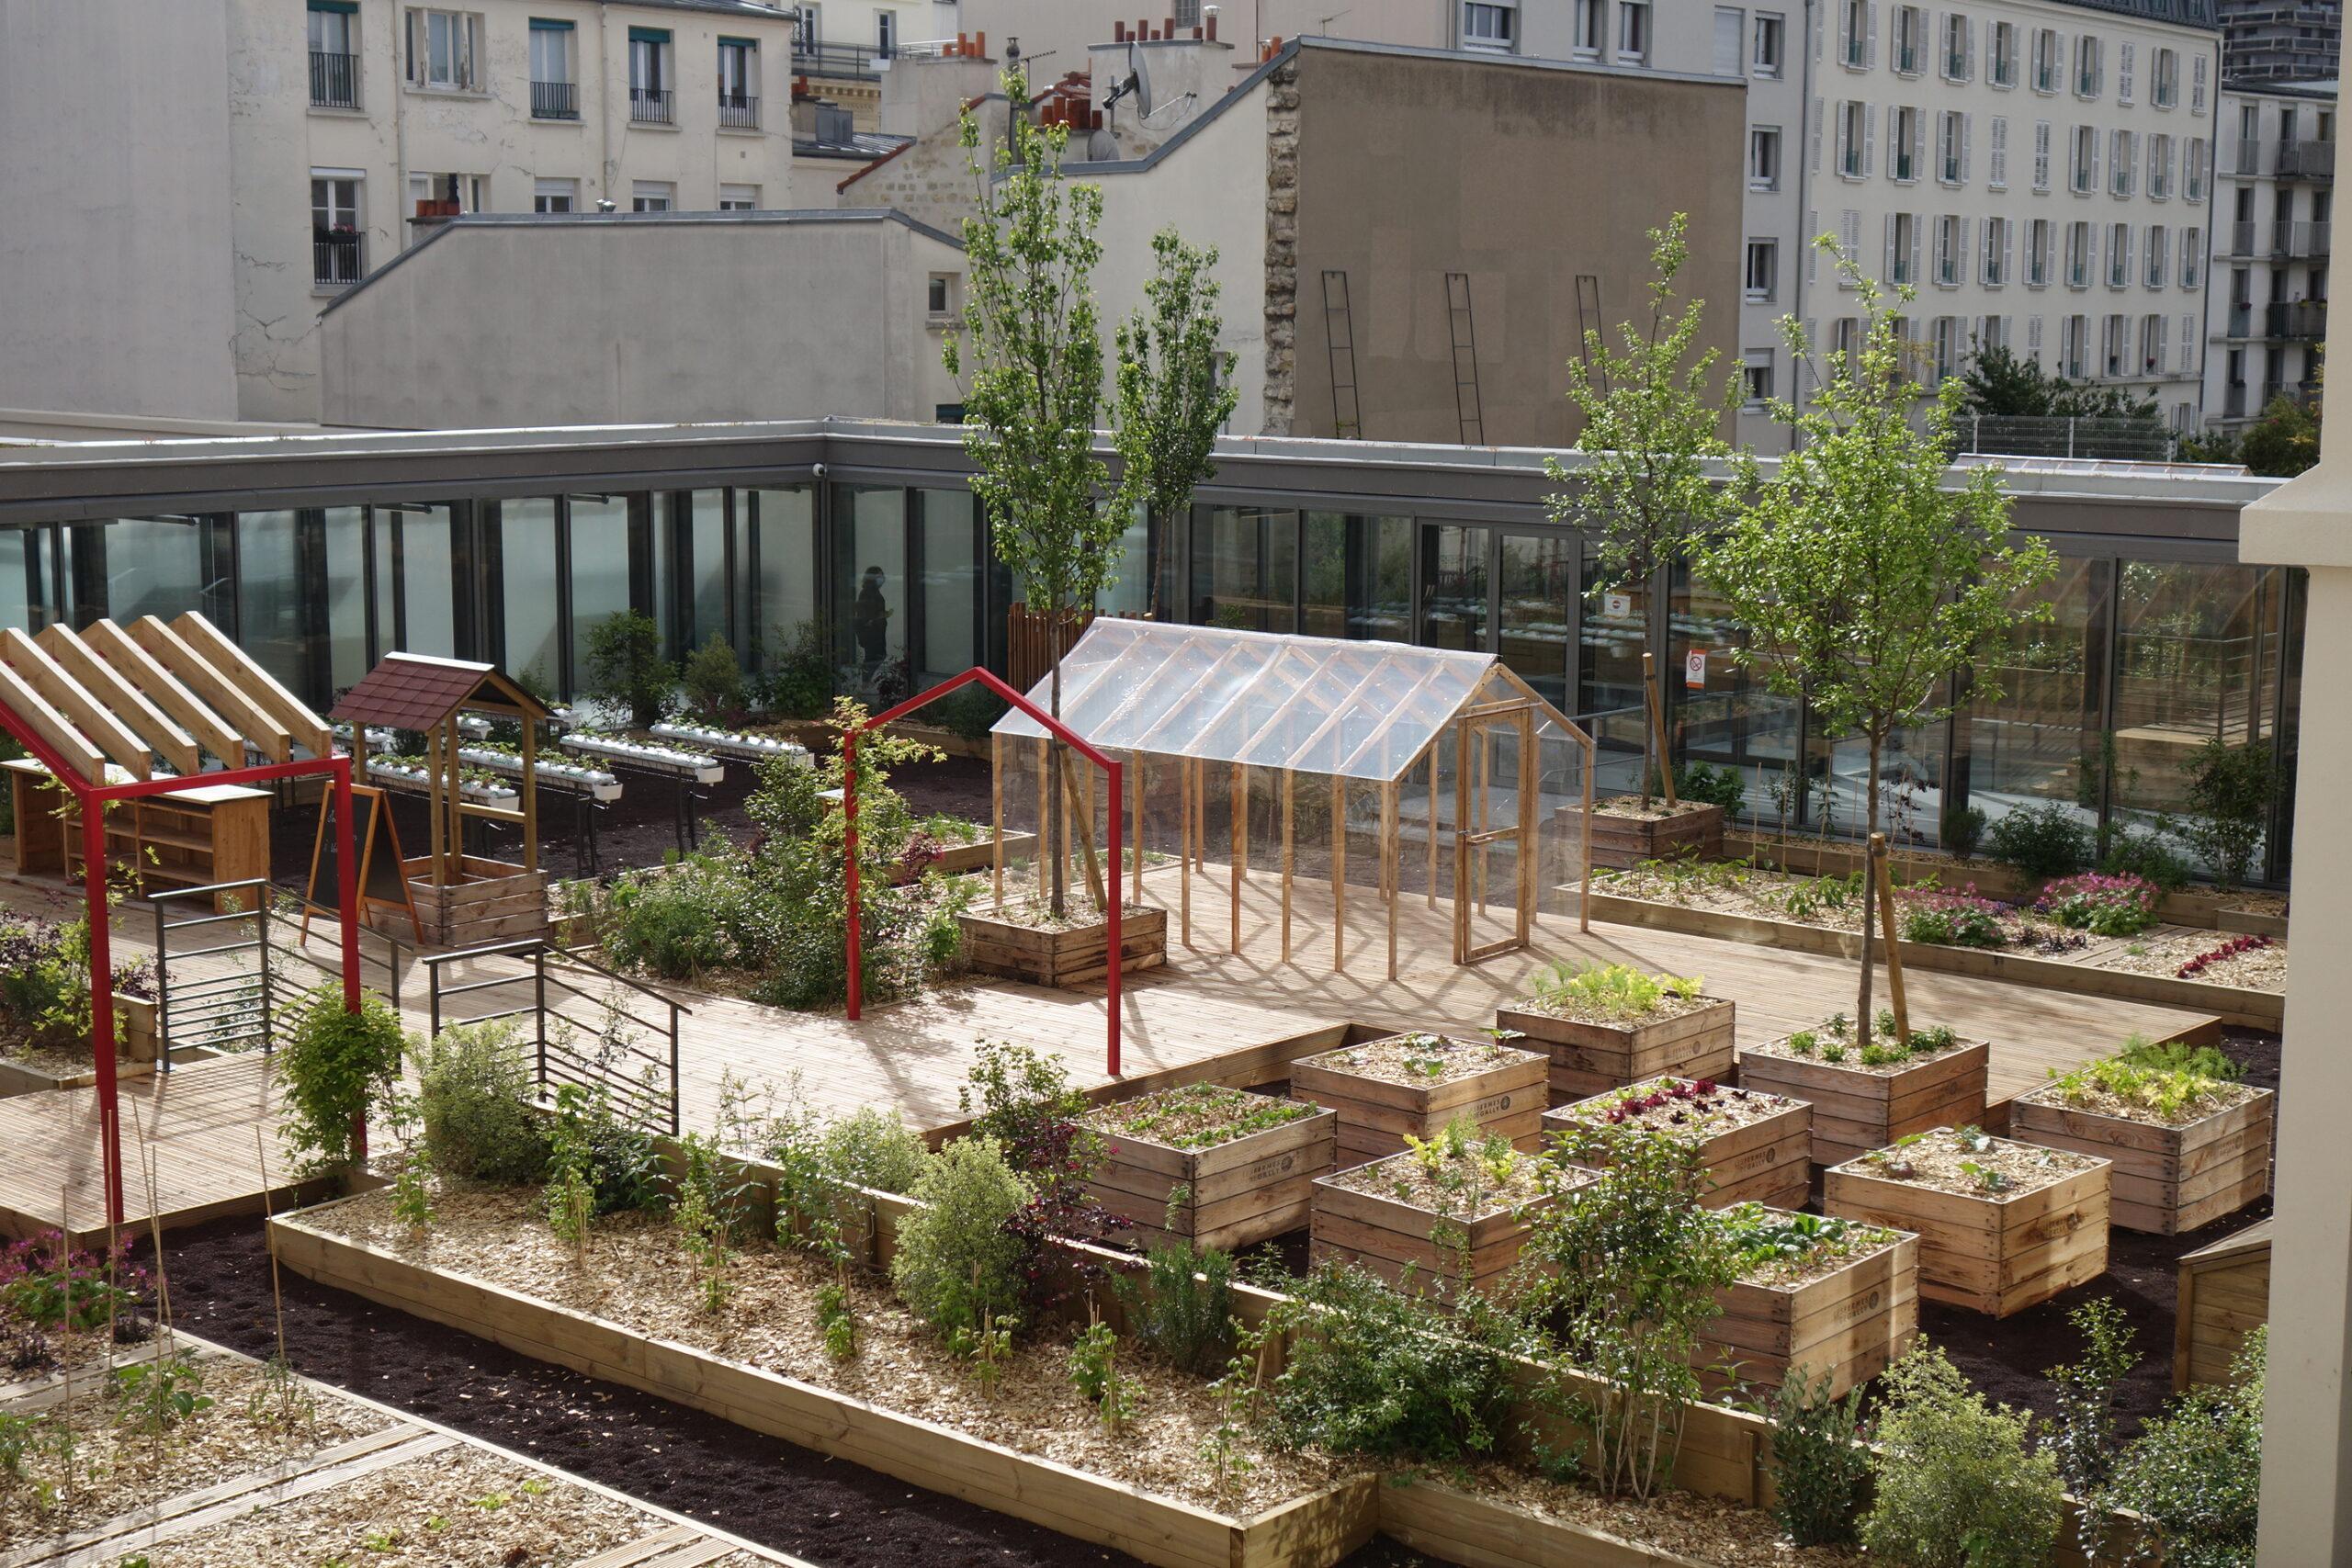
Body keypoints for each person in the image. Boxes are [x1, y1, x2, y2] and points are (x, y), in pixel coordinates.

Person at [853, 565, 890, 679]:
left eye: (882, 575)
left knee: (877, 656)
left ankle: (866, 680)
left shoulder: (873, 592)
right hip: (872, 632)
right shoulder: (868, 593)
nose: (882, 578)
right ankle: (865, 681)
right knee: (874, 657)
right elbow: (866, 614)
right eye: (879, 576)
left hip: (876, 630)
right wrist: (879, 617)